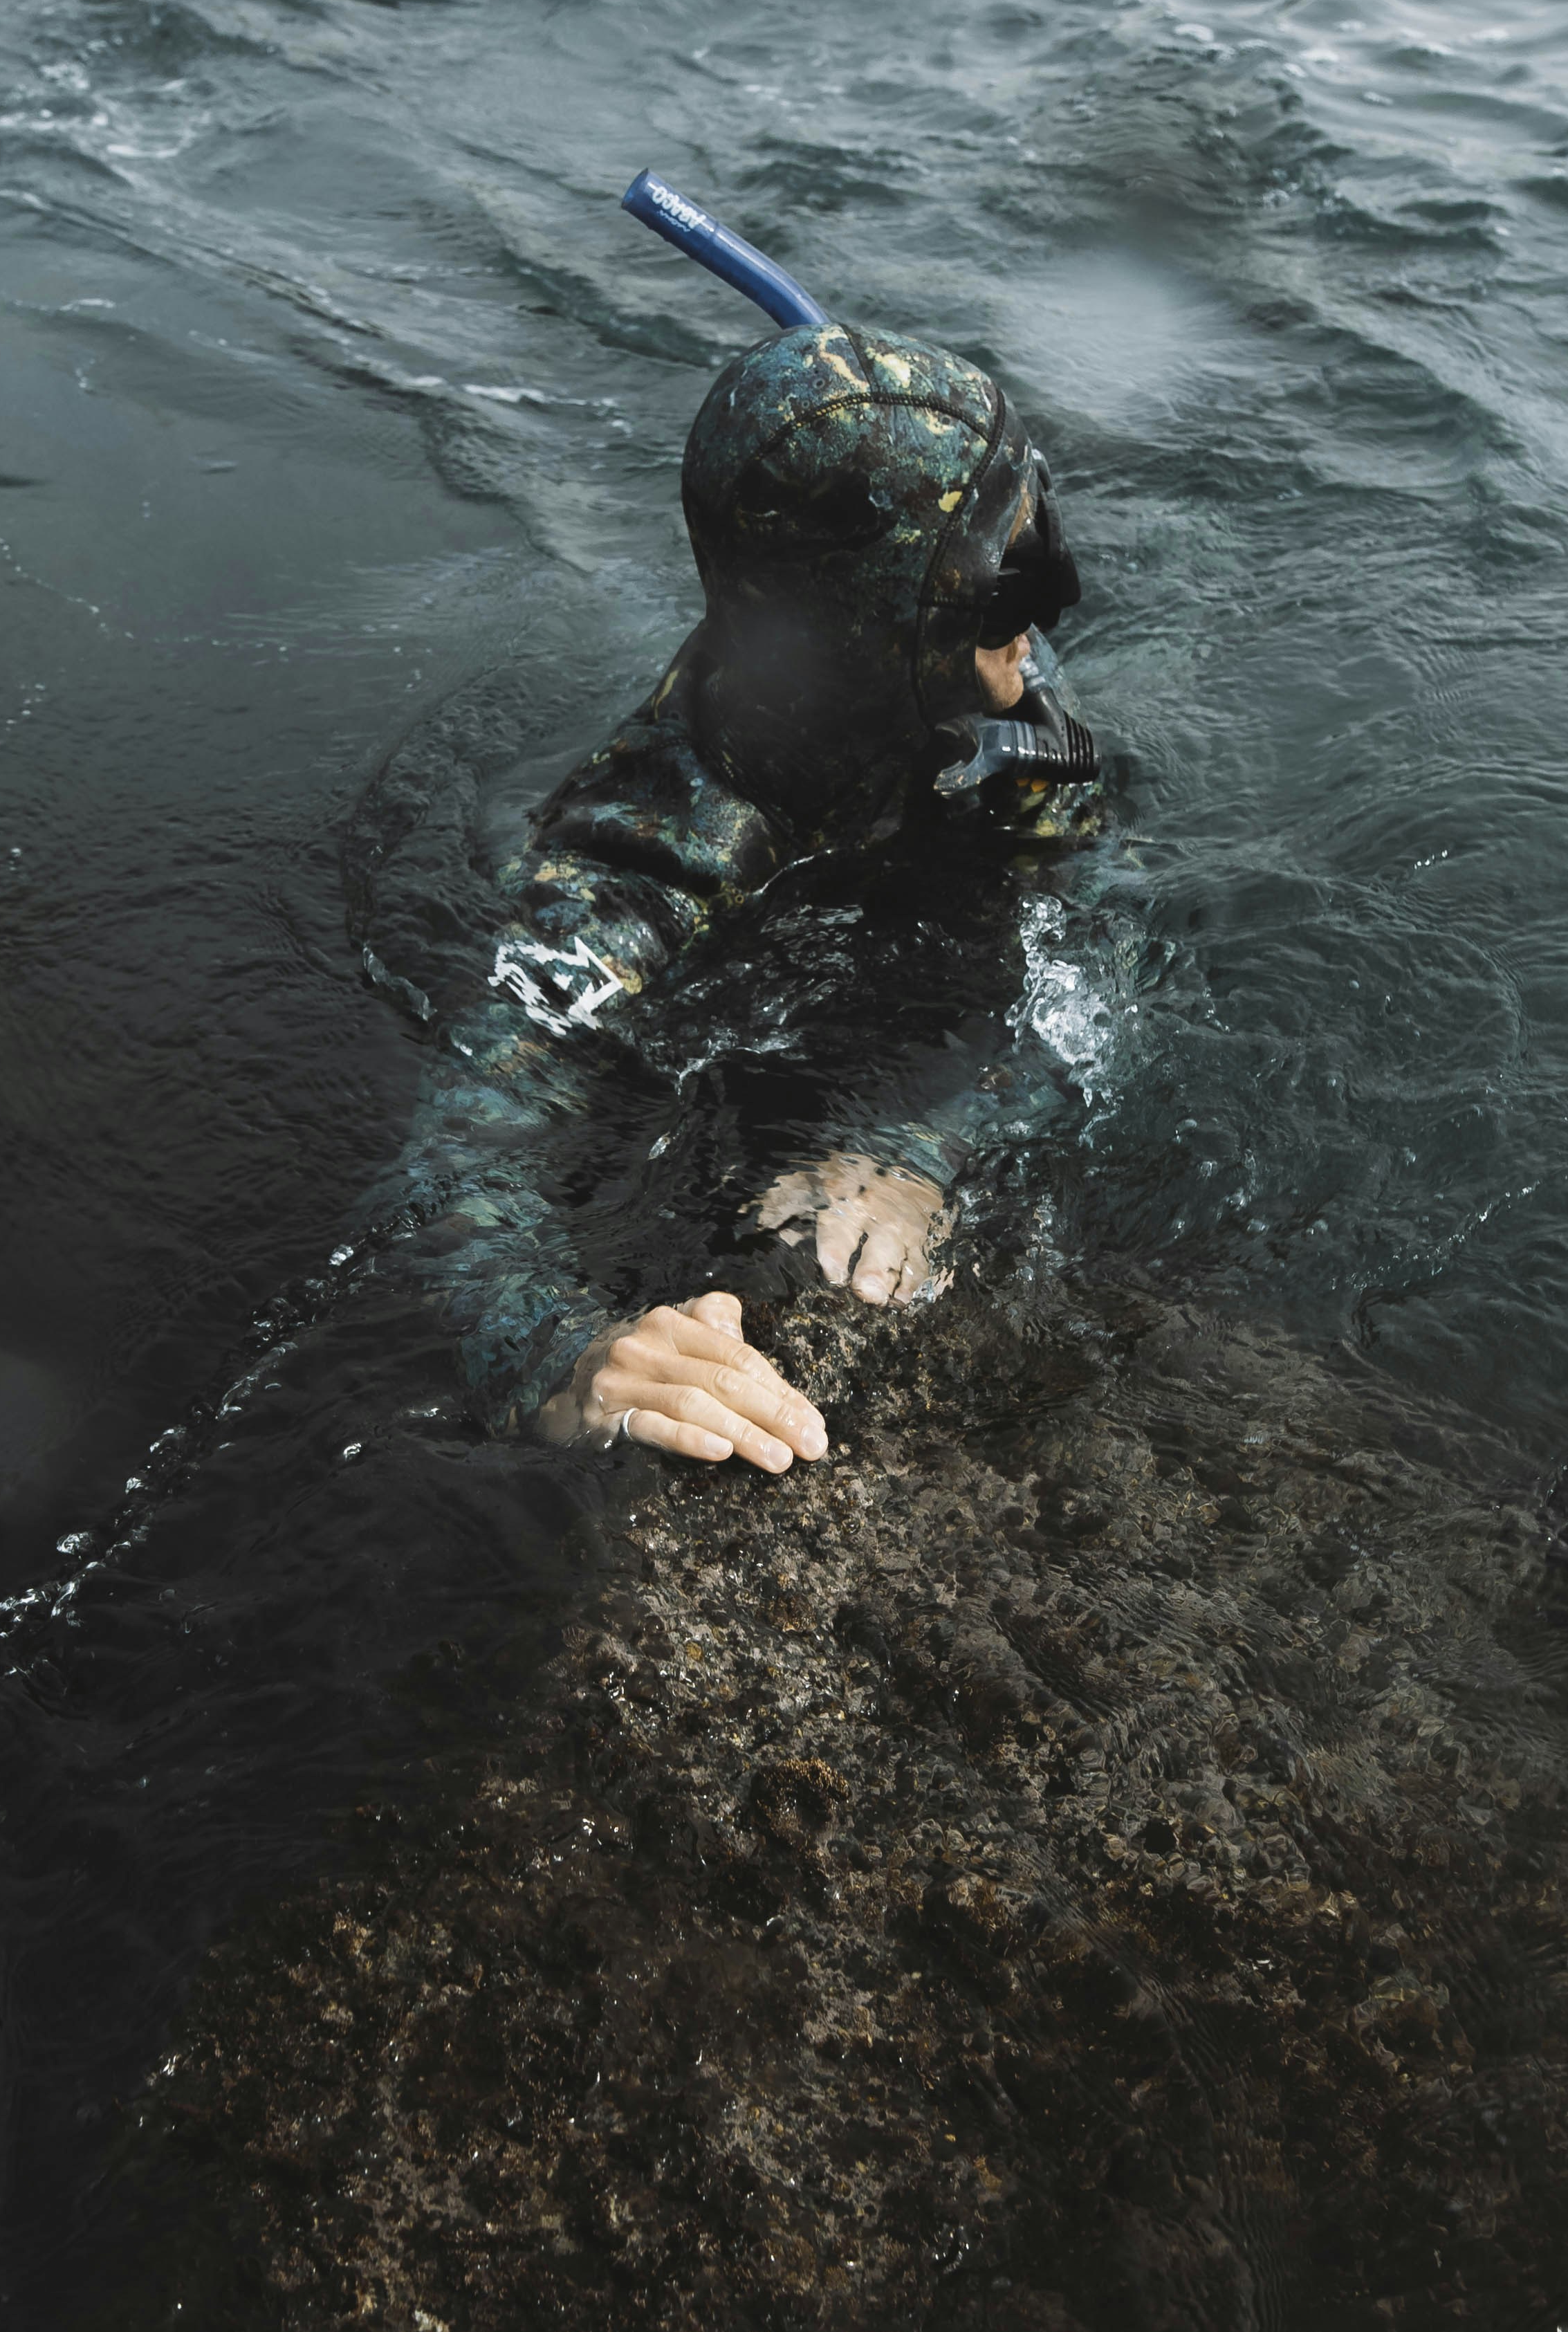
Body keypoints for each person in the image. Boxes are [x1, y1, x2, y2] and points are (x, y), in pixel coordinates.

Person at [405, 313, 1105, 1471]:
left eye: (1044, 547)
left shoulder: (993, 703)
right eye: (1011, 583)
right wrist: (561, 1356)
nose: (1042, 623)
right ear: (883, 625)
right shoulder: (638, 872)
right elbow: (449, 1163)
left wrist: (927, 1137)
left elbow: (1097, 937)